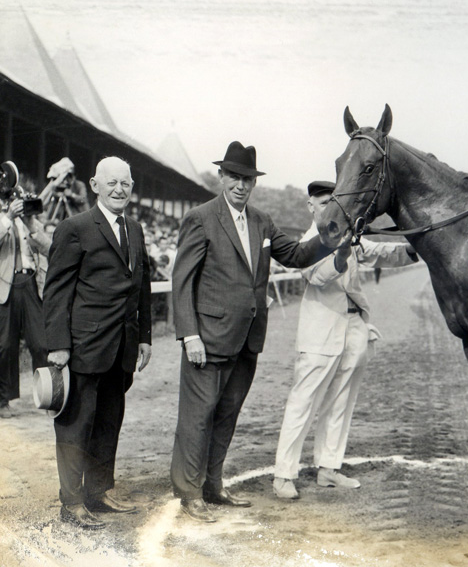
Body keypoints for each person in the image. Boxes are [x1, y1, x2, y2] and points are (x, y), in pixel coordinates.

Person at [169, 141, 334, 522]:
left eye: (248, 179)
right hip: (207, 338)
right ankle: (189, 491)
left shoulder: (262, 220)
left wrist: (330, 235)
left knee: (227, 414)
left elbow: (294, 255)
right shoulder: (201, 217)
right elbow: (182, 281)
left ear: (254, 183)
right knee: (197, 416)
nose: (241, 185)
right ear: (221, 177)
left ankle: (212, 484)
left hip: (247, 339)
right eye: (235, 177)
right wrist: (189, 335)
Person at [271, 180, 416, 500]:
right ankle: (283, 473)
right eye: (322, 203)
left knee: (341, 400)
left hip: (354, 325)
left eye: (332, 202)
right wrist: (340, 256)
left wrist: (416, 246)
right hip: (320, 328)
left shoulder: (347, 234)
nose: (328, 208)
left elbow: (381, 253)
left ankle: (328, 468)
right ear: (310, 206)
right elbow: (317, 278)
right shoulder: (307, 240)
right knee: (303, 401)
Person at [42, 157, 152, 529]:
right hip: (83, 347)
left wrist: (145, 338)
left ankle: (99, 492)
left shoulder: (135, 229)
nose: (120, 189)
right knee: (76, 425)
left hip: (121, 347)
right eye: (112, 183)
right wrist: (57, 345)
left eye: (126, 183)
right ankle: (71, 503)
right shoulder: (74, 228)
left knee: (109, 422)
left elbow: (143, 288)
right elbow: (56, 291)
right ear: (94, 185)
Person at [0, 161, 51, 417]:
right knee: (5, 346)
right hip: (6, 286)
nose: (13, 195)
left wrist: (30, 221)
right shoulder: (5, 215)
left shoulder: (25, 216)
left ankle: (46, 395)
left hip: (30, 282)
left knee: (41, 343)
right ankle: (3, 401)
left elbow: (47, 247)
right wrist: (8, 217)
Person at [40, 157, 89, 225]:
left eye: (68, 177)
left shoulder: (79, 185)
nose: (66, 181)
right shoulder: (62, 187)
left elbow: (83, 199)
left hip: (80, 216)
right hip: (67, 217)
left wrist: (71, 195)